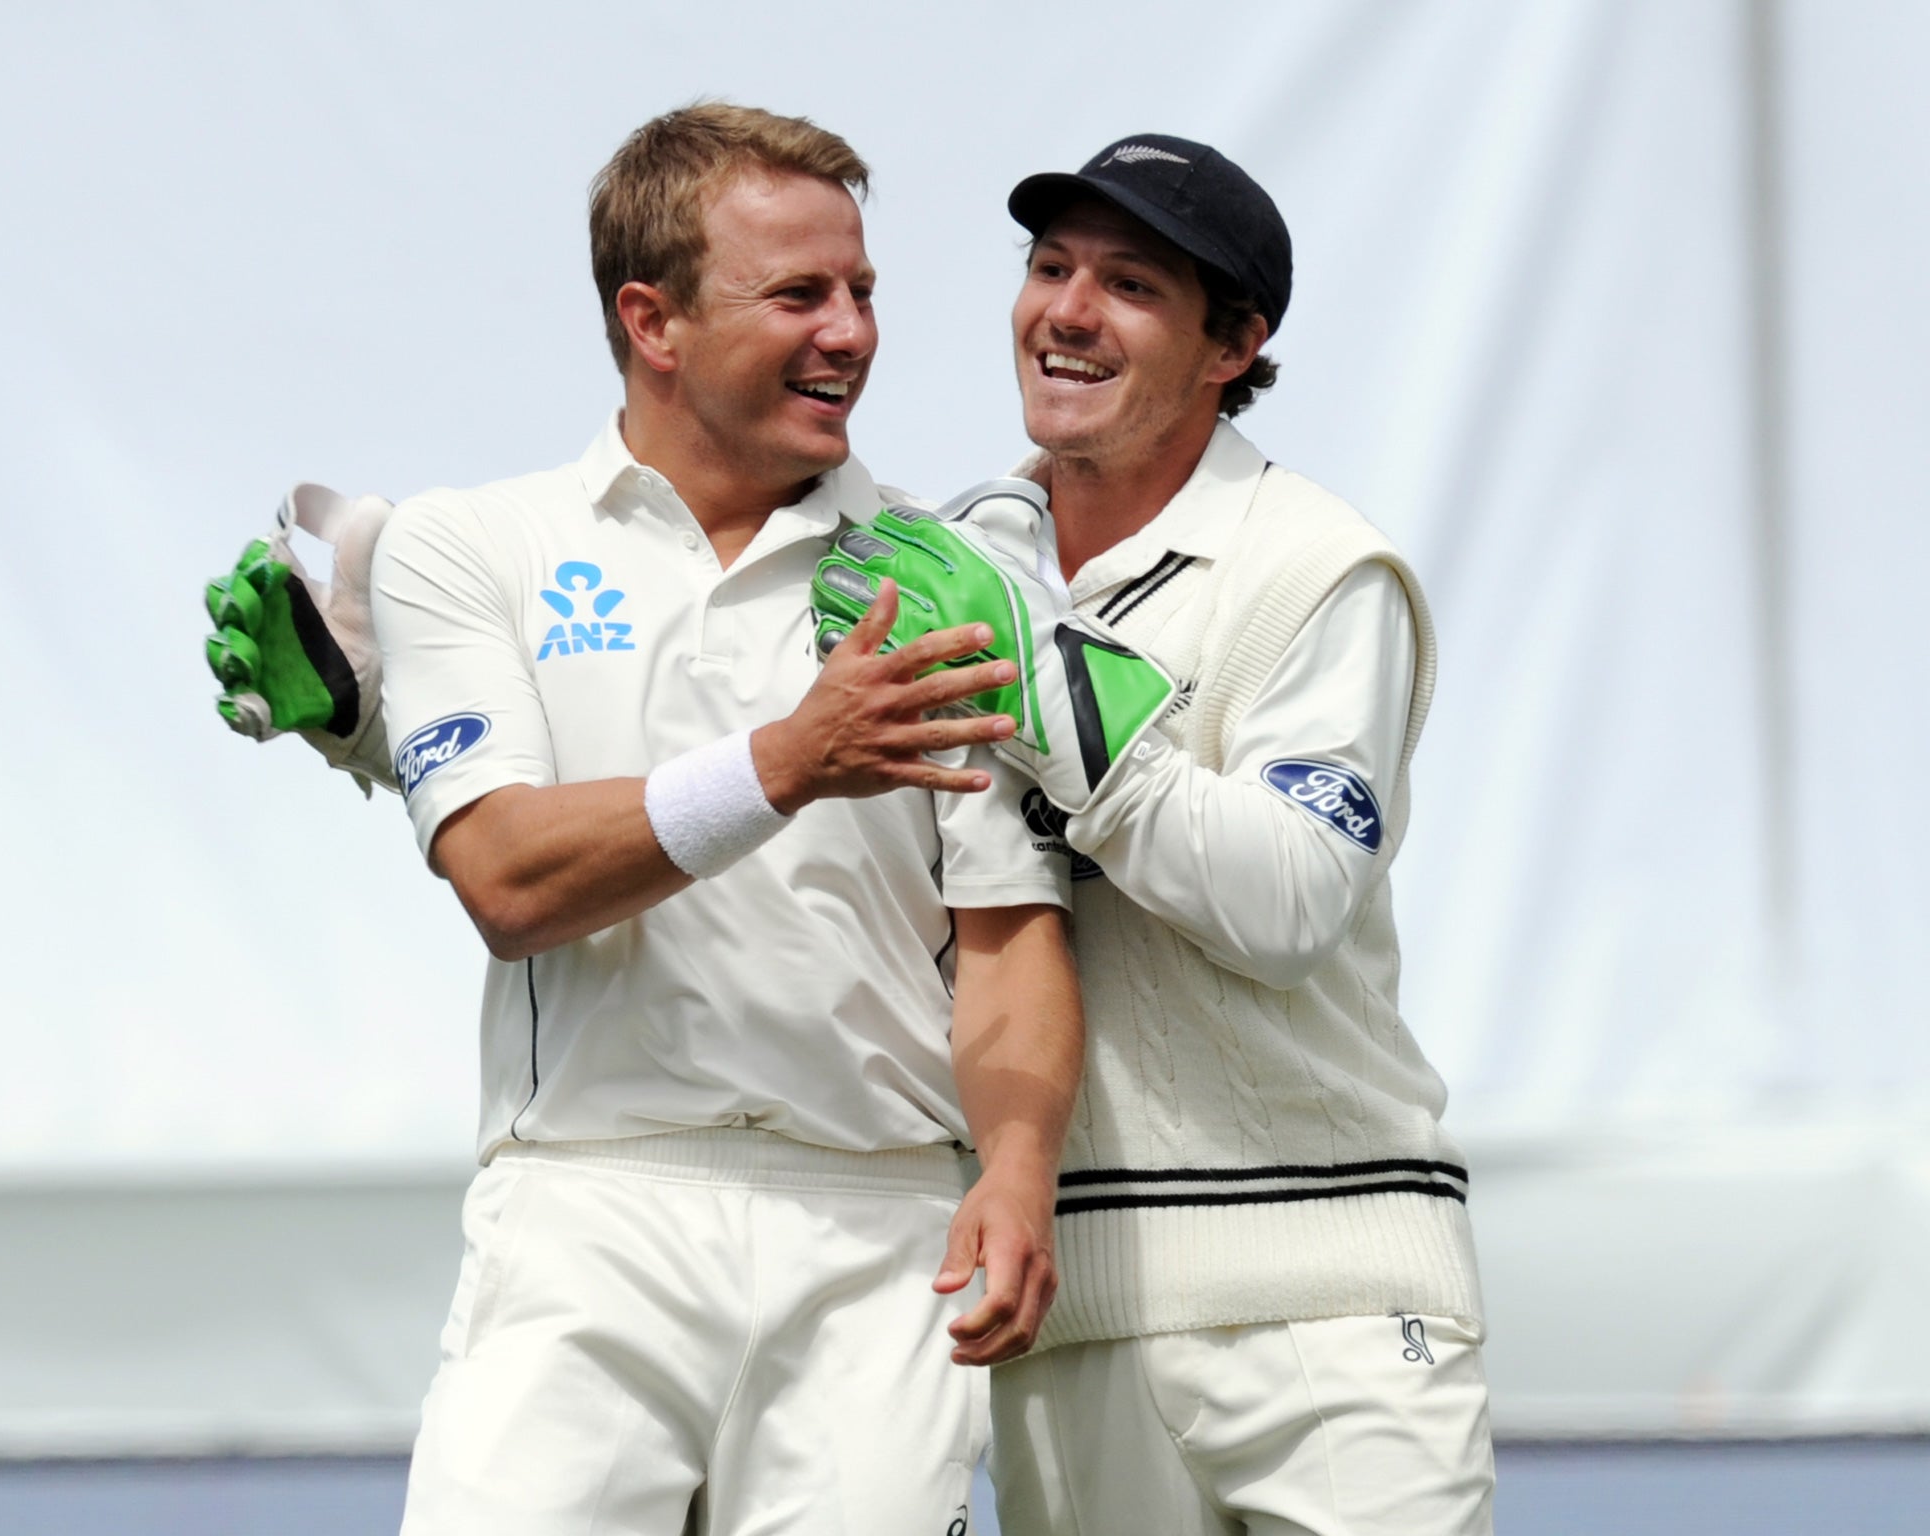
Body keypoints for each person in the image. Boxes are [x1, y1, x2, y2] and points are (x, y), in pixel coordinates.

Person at [208, 104, 1079, 1535]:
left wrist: (1021, 1170)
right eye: (799, 294)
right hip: (588, 1207)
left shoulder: (950, 574)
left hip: (877, 1231)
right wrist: (789, 760)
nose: (851, 332)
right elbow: (506, 876)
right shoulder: (472, 546)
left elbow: (1007, 932)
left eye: (863, 292)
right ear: (651, 320)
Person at [816, 133, 1493, 1534]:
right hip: (1069, 1312)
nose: (1066, 311)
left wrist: (1052, 691)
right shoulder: (956, 560)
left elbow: (1290, 904)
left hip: (1336, 1302)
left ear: (1234, 344)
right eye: (1051, 267)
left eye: (1128, 285)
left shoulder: (1318, 568)